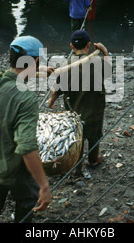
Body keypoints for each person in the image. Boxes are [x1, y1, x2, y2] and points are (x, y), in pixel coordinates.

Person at [0, 36, 52, 223]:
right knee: (29, 193)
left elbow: (17, 73)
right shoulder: (25, 98)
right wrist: (44, 185)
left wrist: (39, 70)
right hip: (8, 161)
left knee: (3, 180)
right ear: (34, 61)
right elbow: (26, 147)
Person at [48, 30, 110, 176]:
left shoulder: (66, 66)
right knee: (94, 135)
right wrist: (105, 52)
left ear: (71, 46)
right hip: (94, 111)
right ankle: (94, 159)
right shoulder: (98, 62)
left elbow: (57, 90)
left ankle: (77, 167)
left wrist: (51, 100)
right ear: (89, 45)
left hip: (74, 111)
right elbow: (107, 72)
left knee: (77, 137)